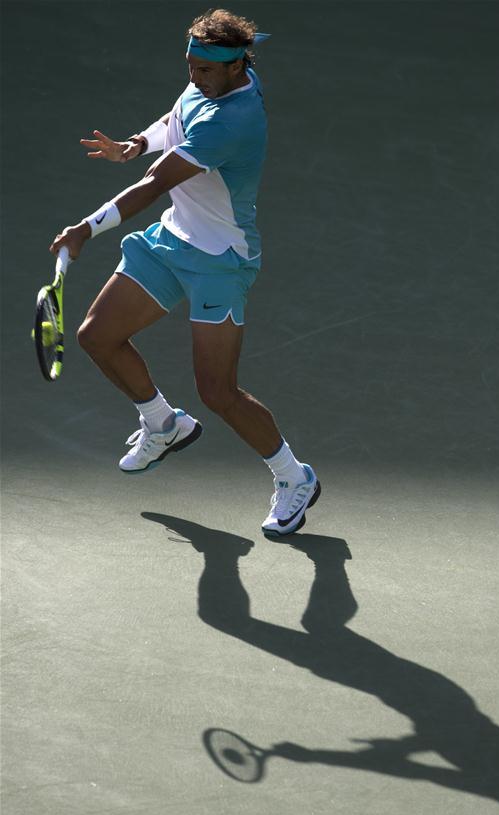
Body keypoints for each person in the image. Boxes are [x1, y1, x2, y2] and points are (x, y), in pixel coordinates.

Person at [49, 9, 320, 537]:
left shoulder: (233, 121)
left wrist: (86, 227)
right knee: (98, 336)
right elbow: (176, 119)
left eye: (203, 69)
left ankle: (295, 477)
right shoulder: (210, 83)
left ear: (237, 66)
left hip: (221, 260)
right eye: (189, 64)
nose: (193, 75)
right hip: (173, 242)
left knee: (217, 391)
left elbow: (153, 185)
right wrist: (135, 142)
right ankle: (162, 423)